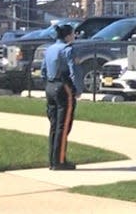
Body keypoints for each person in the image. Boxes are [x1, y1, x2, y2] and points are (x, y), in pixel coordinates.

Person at [41, 23, 83, 170]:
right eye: (73, 34)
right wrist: (77, 89)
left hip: (50, 86)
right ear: (67, 36)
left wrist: (47, 83)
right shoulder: (68, 50)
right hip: (63, 87)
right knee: (63, 125)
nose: (74, 37)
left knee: (54, 125)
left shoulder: (50, 49)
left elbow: (43, 71)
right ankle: (59, 161)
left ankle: (53, 159)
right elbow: (74, 72)